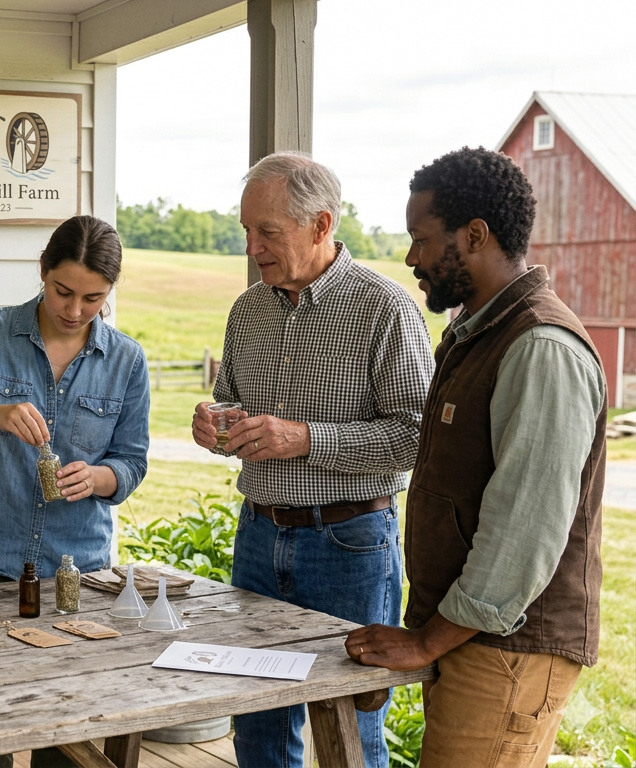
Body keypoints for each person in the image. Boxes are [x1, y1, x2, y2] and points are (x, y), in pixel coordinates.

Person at [347, 147, 604, 767]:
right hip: (477, 642)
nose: (411, 258)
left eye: (422, 239)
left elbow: (525, 530)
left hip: (510, 649)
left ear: (475, 235)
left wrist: (426, 641)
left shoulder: (541, 346)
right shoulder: (481, 334)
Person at [191, 152, 434, 768]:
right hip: (257, 534)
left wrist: (305, 440)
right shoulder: (247, 310)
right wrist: (214, 424)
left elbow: (416, 438)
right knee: (257, 720)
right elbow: (233, 405)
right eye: (247, 231)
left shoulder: (384, 307)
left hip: (350, 543)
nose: (253, 247)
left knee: (351, 730)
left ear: (321, 224)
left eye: (267, 232)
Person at [0, 215, 149, 768]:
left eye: (93, 299)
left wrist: (98, 478)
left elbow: (132, 464)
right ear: (42, 271)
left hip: (77, 572)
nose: (74, 310)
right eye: (63, 291)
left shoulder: (127, 360)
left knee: (67, 736)